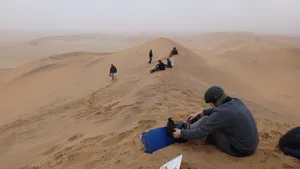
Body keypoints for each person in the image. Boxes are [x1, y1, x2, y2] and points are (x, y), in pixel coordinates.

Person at [173, 86, 259, 157]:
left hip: (239, 149)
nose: (211, 106)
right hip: (251, 145)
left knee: (206, 120)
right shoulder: (236, 101)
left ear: (214, 101)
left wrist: (182, 134)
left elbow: (202, 131)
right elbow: (218, 110)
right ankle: (191, 129)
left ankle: (186, 129)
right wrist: (201, 112)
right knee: (210, 118)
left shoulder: (221, 113)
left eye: (210, 103)